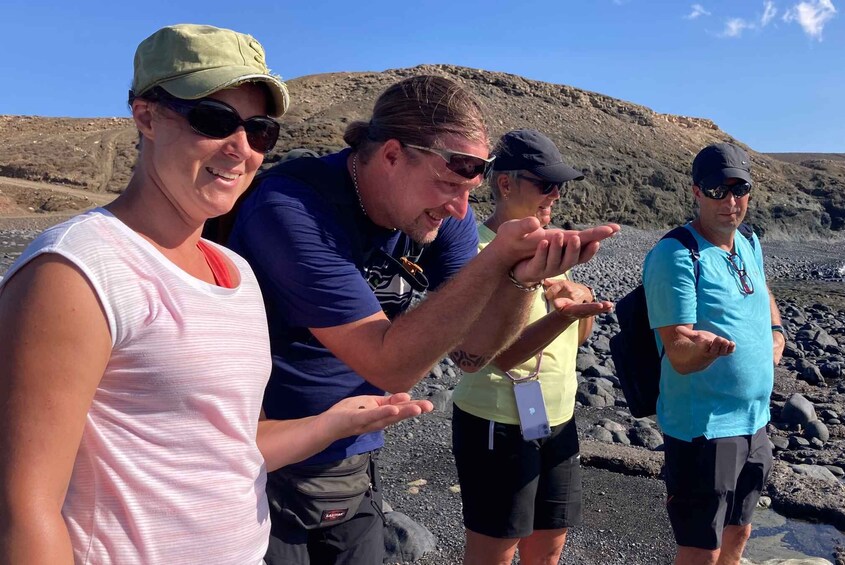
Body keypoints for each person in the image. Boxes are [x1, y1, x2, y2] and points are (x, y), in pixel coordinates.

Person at [0, 24, 431, 565]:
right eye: (213, 119)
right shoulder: (76, 272)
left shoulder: (235, 272)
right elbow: (23, 512)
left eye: (259, 131)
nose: (241, 148)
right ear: (146, 116)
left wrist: (334, 422)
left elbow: (225, 448)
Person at [226, 78, 620, 564]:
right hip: (258, 465)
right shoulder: (292, 209)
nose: (460, 208)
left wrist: (518, 281)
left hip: (354, 458)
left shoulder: (442, 216)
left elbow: (473, 355)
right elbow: (389, 366)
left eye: (469, 191)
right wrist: (495, 261)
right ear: (391, 155)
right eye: (449, 186)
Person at [450, 129, 612, 565]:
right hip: (497, 419)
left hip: (555, 416)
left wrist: (580, 301)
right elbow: (499, 354)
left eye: (558, 186)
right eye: (545, 184)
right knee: (495, 551)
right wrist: (562, 314)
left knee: (550, 544)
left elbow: (575, 340)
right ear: (505, 183)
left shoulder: (552, 248)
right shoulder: (473, 251)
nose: (554, 196)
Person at [642, 142, 784, 565]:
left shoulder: (748, 243)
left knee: (740, 531)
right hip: (703, 430)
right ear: (696, 192)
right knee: (701, 549)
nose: (731, 202)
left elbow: (763, 289)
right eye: (717, 190)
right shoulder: (676, 254)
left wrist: (776, 331)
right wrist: (705, 351)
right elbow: (678, 351)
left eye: (739, 189)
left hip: (755, 421)